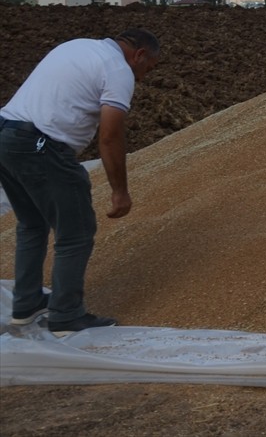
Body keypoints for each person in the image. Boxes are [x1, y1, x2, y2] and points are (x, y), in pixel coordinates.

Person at [0, 27, 160, 336]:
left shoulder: (78, 46)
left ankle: (27, 303)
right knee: (76, 232)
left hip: (6, 134)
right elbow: (110, 136)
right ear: (139, 54)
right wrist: (120, 192)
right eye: (147, 68)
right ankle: (65, 316)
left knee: (32, 223)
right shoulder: (118, 70)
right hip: (41, 144)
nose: (142, 78)